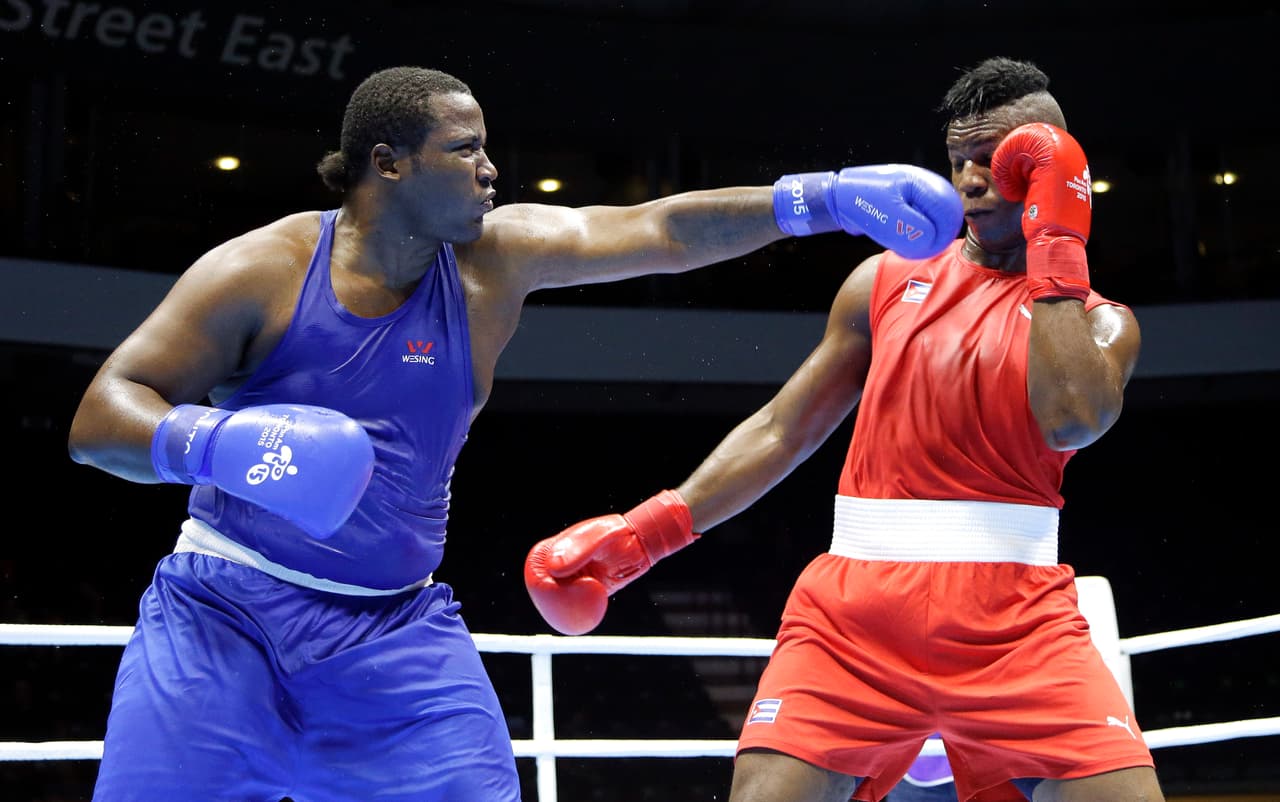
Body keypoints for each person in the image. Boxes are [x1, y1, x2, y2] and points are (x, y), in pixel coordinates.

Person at [66, 65, 963, 801]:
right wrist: (226, 447)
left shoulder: (495, 260)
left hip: (394, 631)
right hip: (225, 616)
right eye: (466, 150)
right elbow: (102, 414)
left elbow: (659, 228)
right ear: (390, 165)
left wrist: (815, 202)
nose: (492, 169)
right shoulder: (261, 271)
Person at [524, 56, 1163, 802]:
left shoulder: (1100, 321)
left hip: (1018, 622)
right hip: (855, 620)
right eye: (959, 160)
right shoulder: (884, 279)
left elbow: (1072, 419)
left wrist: (1058, 240)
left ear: (1049, 161)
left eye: (996, 160)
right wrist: (649, 533)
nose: (970, 180)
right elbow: (783, 427)